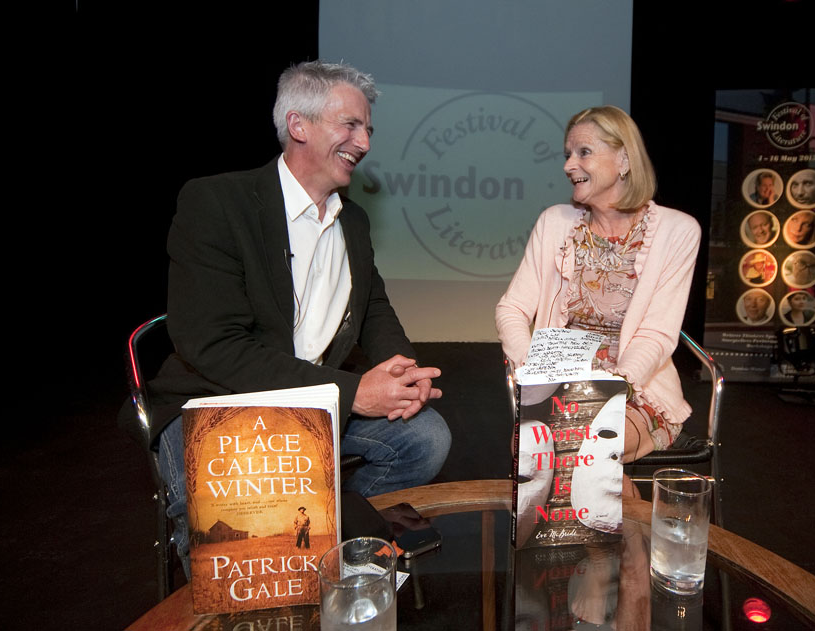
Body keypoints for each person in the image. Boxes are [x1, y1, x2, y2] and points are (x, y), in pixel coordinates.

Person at [147, 61, 451, 577]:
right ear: (298, 125)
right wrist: (354, 392)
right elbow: (213, 346)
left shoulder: (352, 220)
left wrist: (402, 371)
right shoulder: (217, 202)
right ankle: (284, 567)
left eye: (368, 129)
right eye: (350, 125)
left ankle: (335, 552)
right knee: (236, 553)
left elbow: (373, 307)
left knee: (426, 438)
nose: (365, 143)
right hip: (219, 403)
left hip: (311, 402)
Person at [495, 105, 701, 472]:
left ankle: (619, 506)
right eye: (567, 154)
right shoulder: (554, 223)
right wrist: (535, 372)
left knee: (592, 447)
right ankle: (627, 509)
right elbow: (512, 309)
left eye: (584, 152)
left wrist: (612, 391)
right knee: (535, 452)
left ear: (624, 160)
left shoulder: (678, 231)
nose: (568, 165)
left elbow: (656, 334)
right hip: (560, 384)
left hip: (636, 386)